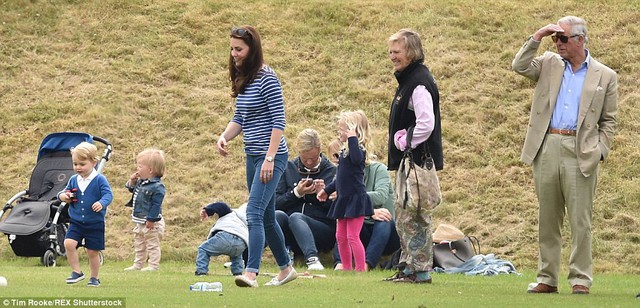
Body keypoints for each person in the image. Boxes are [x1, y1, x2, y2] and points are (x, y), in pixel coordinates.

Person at [512, 16, 618, 295]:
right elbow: (519, 65)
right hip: (547, 145)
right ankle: (547, 278)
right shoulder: (547, 62)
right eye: (555, 38)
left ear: (580, 40)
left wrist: (600, 152)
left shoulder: (605, 75)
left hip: (582, 151)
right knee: (548, 218)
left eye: (563, 38)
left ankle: (580, 279)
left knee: (580, 220)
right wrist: (537, 36)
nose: (557, 43)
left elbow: (609, 121)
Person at [215, 25, 297, 288]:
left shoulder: (267, 77)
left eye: (239, 49)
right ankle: (285, 269)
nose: (234, 53)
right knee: (267, 217)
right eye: (232, 48)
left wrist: (270, 158)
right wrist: (225, 136)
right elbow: (240, 117)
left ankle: (251, 272)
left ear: (252, 49)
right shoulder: (244, 77)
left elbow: (279, 121)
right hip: (252, 155)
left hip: (270, 156)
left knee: (254, 212)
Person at [385, 29, 443, 284]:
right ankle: (409, 268)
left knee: (415, 215)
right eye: (390, 52)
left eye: (396, 52)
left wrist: (404, 140)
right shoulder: (410, 79)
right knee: (404, 214)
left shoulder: (418, 82)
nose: (392, 57)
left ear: (411, 52)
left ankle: (420, 271)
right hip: (409, 162)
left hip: (416, 162)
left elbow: (426, 123)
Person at [317, 110, 374, 272]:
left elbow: (356, 159)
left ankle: (360, 269)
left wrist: (352, 139)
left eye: (342, 129)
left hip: (356, 200)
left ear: (353, 131)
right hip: (343, 200)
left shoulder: (359, 151)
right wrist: (327, 190)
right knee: (340, 237)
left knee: (352, 236)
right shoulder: (343, 153)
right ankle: (347, 268)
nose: (338, 132)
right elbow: (340, 179)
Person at [275, 128, 336, 271]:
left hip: (322, 229)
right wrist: (296, 193)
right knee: (275, 216)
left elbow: (338, 211)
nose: (309, 162)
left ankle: (312, 259)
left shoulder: (332, 171)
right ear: (298, 151)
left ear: (320, 150)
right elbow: (276, 203)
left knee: (297, 217)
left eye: (313, 158)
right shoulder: (287, 168)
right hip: (291, 229)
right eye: (305, 158)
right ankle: (247, 257)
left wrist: (322, 195)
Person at [57, 142, 113, 287]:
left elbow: (108, 195)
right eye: (75, 164)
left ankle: (94, 277)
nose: (78, 167)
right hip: (76, 221)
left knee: (92, 252)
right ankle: (77, 272)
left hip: (94, 223)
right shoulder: (73, 179)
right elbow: (63, 192)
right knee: (68, 243)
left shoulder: (99, 179)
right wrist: (63, 196)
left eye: (82, 164)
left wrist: (101, 203)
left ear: (94, 163)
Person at [333, 159, 399, 271]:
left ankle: (366, 264)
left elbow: (380, 196)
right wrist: (370, 212)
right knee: (344, 226)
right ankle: (341, 263)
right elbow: (338, 200)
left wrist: (352, 198)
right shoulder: (343, 172)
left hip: (387, 233)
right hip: (361, 225)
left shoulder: (379, 169)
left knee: (384, 220)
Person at [123, 148, 167, 272]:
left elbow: (156, 205)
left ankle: (153, 265)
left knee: (152, 244)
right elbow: (132, 190)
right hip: (139, 220)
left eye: (140, 166)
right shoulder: (141, 182)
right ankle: (138, 264)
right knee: (139, 243)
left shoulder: (157, 187)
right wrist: (132, 181)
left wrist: (151, 219)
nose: (137, 169)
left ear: (150, 170)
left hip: (152, 222)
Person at [195, 202, 248, 276]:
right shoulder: (252, 222)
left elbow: (221, 206)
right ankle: (238, 273)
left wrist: (207, 210)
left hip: (225, 236)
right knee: (236, 254)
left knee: (203, 249)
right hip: (242, 242)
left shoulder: (232, 213)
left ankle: (201, 272)